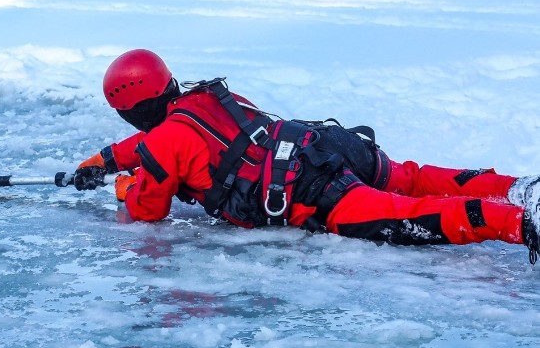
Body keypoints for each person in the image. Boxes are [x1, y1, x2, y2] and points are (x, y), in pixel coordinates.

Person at [72, 49, 540, 263]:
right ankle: (514, 187)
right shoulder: (203, 99)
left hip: (312, 191)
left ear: (134, 108)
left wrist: (126, 185)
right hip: (326, 145)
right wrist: (108, 158)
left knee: (409, 216)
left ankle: (519, 222)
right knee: (411, 179)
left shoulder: (162, 143)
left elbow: (145, 212)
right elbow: (173, 141)